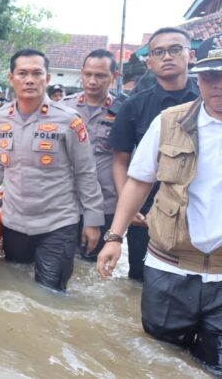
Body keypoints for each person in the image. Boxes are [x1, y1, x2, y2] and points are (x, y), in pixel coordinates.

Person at [97, 46, 222, 371]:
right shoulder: (170, 122)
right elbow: (139, 182)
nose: (219, 84)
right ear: (200, 79)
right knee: (158, 361)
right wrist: (114, 237)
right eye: (212, 76)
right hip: (169, 269)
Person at [0, 49, 104, 292]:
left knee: (50, 295)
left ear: (46, 79)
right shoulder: (1, 116)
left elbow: (86, 172)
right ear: (11, 78)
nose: (29, 80)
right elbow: (0, 157)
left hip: (58, 223)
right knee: (13, 286)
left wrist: (92, 221)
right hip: (14, 221)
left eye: (37, 73)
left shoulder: (69, 120)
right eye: (22, 73)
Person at [108, 27, 199, 281]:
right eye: (159, 52)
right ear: (150, 61)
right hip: (147, 209)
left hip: (199, 207)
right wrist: (127, 207)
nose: (167, 57)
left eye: (174, 50)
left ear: (190, 55)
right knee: (142, 278)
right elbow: (120, 160)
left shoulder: (209, 99)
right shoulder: (133, 105)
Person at [61, 49, 119, 260]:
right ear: (82, 73)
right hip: (67, 201)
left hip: (106, 204)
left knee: (93, 265)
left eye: (100, 75)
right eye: (88, 74)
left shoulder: (124, 111)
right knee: (63, 262)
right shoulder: (64, 109)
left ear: (114, 77)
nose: (92, 81)